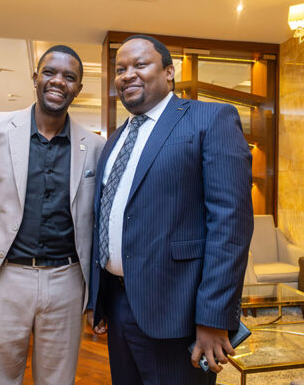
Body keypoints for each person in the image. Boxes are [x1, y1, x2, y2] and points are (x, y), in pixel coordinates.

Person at [0, 45, 105, 385]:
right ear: (35, 77)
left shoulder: (95, 146)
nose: (58, 81)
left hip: (68, 281)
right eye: (50, 72)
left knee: (58, 380)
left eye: (69, 77)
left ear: (79, 89)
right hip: (3, 277)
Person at [88, 35, 254, 385]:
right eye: (120, 69)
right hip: (118, 303)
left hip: (179, 312)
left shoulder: (210, 119)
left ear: (169, 71)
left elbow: (230, 223)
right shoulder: (115, 139)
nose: (127, 75)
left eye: (140, 65)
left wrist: (214, 316)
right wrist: (99, 301)